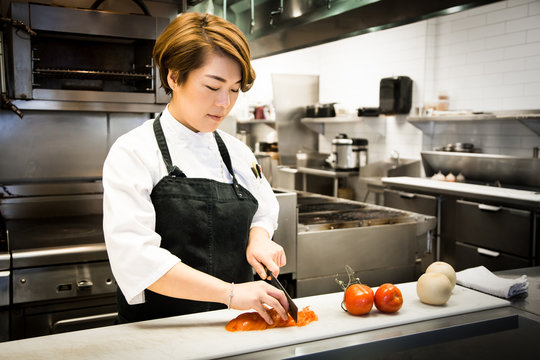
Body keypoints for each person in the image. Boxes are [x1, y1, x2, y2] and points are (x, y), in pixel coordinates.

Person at [102, 12, 288, 325]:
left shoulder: (238, 152)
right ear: (174, 77)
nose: (224, 104)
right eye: (213, 87)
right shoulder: (133, 152)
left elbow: (264, 210)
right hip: (159, 332)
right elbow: (136, 259)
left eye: (234, 89)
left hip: (238, 327)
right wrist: (230, 294)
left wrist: (260, 238)